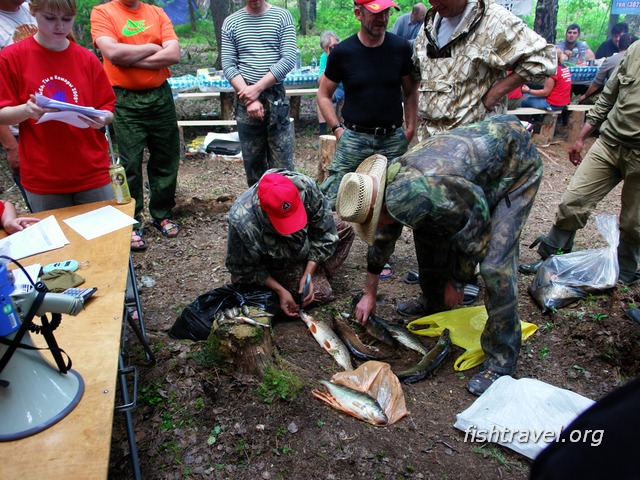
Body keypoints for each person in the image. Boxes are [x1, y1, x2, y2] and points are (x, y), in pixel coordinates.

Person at [338, 115, 543, 395]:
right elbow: (386, 235)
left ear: (379, 207)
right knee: (429, 230)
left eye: (375, 221)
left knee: (496, 265)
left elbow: (477, 224)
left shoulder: (420, 193)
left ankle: (502, 359)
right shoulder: (390, 189)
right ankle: (433, 302)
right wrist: (369, 291)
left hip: (515, 167)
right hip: (469, 180)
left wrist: (458, 281)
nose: (378, 226)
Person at [519, 40, 640, 284]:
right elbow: (608, 96)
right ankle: (553, 257)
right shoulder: (636, 50)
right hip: (609, 143)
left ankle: (625, 273)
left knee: (634, 223)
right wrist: (581, 136)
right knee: (573, 201)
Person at [0, 0, 116, 214]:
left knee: (104, 241)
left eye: (66, 19)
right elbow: (2, 114)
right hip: (43, 175)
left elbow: (107, 109)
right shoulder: (11, 57)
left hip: (91, 169)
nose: (59, 27)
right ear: (33, 12)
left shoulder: (86, 58)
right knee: (57, 245)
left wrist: (102, 119)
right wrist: (26, 110)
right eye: (50, 18)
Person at [91, 0, 182, 251]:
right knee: (129, 163)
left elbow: (173, 54)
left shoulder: (157, 12)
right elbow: (113, 53)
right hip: (123, 98)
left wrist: (128, 58)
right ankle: (131, 222)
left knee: (166, 157)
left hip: (160, 96)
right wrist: (154, 48)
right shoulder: (103, 12)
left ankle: (162, 213)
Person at [317, 0, 417, 209]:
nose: (382, 18)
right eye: (375, 12)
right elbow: (324, 95)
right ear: (358, 13)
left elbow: (410, 91)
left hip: (392, 138)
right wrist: (337, 130)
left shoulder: (401, 48)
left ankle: (380, 242)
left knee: (394, 203)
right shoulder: (343, 52)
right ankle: (331, 241)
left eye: (386, 12)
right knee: (331, 203)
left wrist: (409, 129)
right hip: (353, 138)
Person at [412, 0, 556, 140]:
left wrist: (495, 93)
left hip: (475, 141)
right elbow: (418, 68)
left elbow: (544, 59)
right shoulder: (429, 25)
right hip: (432, 143)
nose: (435, 3)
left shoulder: (493, 20)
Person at [226, 169, 354, 317]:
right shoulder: (242, 222)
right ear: (263, 208)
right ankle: (296, 281)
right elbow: (241, 268)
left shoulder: (305, 187)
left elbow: (325, 232)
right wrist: (280, 290)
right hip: (275, 262)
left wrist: (308, 275)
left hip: (302, 246)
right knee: (320, 293)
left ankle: (312, 273)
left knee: (345, 227)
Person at [221, 0, 297, 187]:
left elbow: (288, 59)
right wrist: (249, 99)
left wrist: (257, 88)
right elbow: (229, 65)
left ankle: (285, 212)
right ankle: (259, 211)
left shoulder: (282, 16)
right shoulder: (231, 22)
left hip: (275, 97)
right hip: (244, 96)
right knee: (253, 165)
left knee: (283, 166)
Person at [0, 0, 38, 212]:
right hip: (20, 129)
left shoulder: (33, 9)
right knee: (44, 210)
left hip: (51, 121)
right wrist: (10, 146)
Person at [579, 33, 638, 105]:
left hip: (615, 97)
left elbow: (597, 83)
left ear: (618, 44)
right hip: (635, 97)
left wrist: (585, 96)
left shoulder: (610, 60)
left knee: (587, 101)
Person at [316, 31, 344, 136]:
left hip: (346, 87)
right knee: (320, 96)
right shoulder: (324, 57)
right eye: (329, 47)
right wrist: (330, 60)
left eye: (335, 45)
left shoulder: (345, 52)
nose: (334, 49)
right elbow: (320, 81)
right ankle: (323, 134)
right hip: (335, 89)